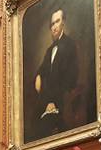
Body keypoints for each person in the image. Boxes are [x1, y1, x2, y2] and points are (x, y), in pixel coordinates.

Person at [33, 8, 80, 139]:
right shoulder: (49, 50)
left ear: (63, 22)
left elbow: (71, 77)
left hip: (64, 98)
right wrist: (38, 75)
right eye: (52, 24)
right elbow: (42, 70)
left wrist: (54, 101)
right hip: (48, 100)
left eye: (57, 22)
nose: (54, 26)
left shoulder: (70, 45)